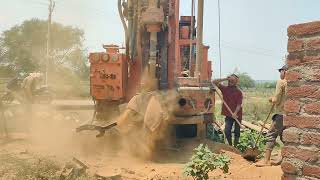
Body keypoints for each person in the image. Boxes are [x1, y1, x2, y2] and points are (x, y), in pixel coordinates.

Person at [256, 65, 288, 167]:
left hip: (280, 113)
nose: (280, 73)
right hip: (289, 114)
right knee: (285, 136)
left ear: (285, 71)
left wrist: (271, 99)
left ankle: (266, 160)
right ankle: (283, 157)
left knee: (271, 134)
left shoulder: (281, 82)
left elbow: (277, 99)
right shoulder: (292, 83)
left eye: (281, 71)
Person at [212, 74, 243, 147]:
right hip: (229, 115)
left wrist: (235, 113)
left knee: (237, 131)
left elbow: (239, 104)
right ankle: (230, 145)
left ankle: (235, 147)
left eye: (234, 80)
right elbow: (214, 82)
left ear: (236, 82)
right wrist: (225, 78)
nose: (232, 82)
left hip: (237, 115)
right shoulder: (224, 89)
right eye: (230, 80)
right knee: (227, 130)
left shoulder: (238, 92)